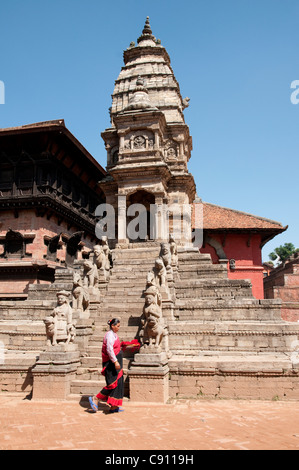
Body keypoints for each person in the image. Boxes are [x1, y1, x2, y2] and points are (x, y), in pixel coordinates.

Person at [89, 318, 124, 413]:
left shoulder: (114, 335)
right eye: (117, 326)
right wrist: (115, 361)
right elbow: (109, 349)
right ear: (112, 326)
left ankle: (114, 406)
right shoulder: (109, 335)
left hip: (116, 362)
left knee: (119, 382)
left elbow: (115, 347)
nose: (119, 328)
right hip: (111, 363)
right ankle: (96, 398)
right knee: (112, 384)